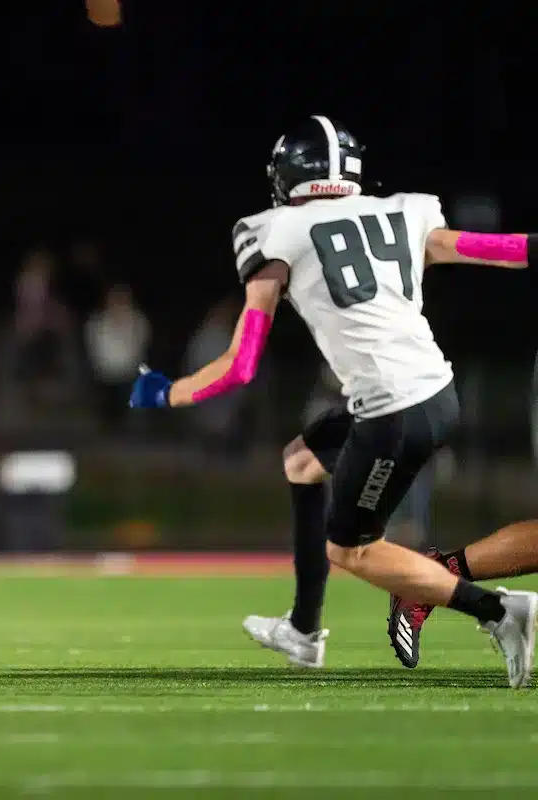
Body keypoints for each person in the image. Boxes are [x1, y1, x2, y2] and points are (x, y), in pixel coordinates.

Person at [128, 115, 538, 688]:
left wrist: (164, 391)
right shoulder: (403, 209)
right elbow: (496, 249)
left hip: (392, 408)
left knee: (354, 552)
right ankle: (302, 629)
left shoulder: (274, 230)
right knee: (303, 460)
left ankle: (501, 612)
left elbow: (241, 364)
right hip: (434, 390)